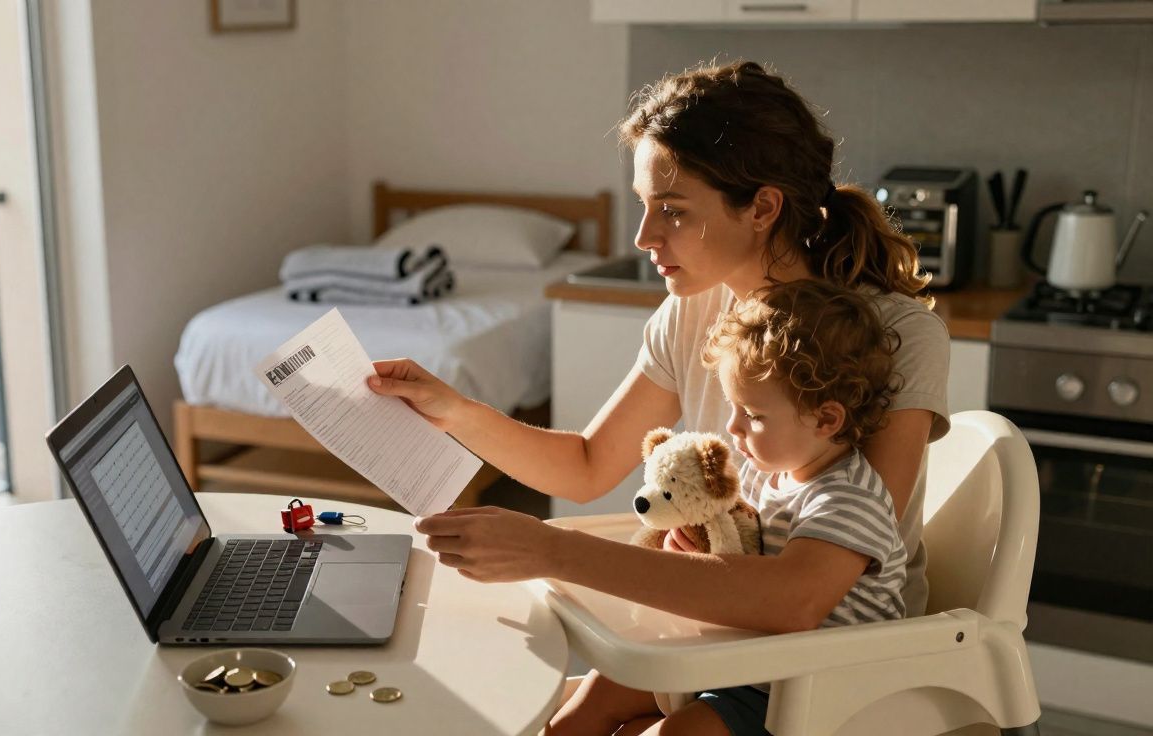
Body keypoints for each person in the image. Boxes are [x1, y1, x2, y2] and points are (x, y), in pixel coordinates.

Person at [366, 59, 950, 733]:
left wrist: (549, 550)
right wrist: (455, 412)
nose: (644, 237)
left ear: (763, 208)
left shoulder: (895, 336)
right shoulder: (695, 309)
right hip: (728, 629)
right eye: (645, 206)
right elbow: (588, 465)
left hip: (834, 660)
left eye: (672, 210)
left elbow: (805, 592)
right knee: (558, 722)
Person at [560, 279, 911, 735]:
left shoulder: (849, 501)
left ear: (826, 419)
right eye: (733, 406)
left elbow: (795, 604)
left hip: (807, 696)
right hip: (740, 663)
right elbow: (740, 560)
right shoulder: (767, 473)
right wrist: (695, 554)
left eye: (754, 415)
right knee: (597, 695)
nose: (732, 426)